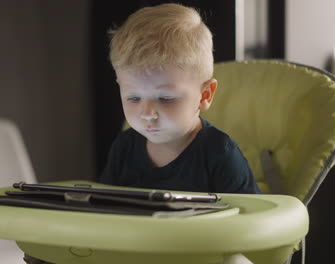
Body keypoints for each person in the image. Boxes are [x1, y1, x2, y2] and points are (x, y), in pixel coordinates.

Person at [99, 3, 260, 195]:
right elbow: (105, 209)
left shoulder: (219, 154)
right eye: (133, 97)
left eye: (166, 98)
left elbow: (253, 220)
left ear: (205, 95)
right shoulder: (124, 148)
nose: (147, 114)